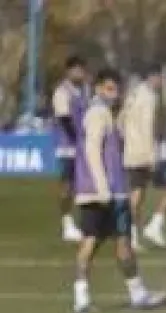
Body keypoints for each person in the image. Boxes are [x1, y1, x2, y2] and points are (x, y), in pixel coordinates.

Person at [72, 68, 166, 313]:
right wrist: (102, 187)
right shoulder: (97, 114)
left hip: (115, 191)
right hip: (99, 193)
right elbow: (92, 151)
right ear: (98, 89)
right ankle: (81, 297)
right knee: (91, 242)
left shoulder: (109, 113)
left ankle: (137, 294)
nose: (114, 94)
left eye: (116, 89)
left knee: (122, 242)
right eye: (109, 89)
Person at [122, 63, 166, 249]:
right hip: (145, 152)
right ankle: (153, 226)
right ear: (153, 77)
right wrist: (152, 155)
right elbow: (148, 127)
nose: (162, 82)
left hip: (131, 150)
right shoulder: (149, 97)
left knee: (136, 193)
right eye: (161, 77)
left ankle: (132, 236)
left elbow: (122, 119)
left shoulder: (133, 94)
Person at [51, 56, 89, 242]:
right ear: (69, 71)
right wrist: (78, 139)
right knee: (68, 184)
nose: (81, 73)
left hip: (82, 145)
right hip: (68, 146)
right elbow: (64, 119)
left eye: (82, 70)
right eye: (77, 70)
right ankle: (67, 223)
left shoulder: (83, 91)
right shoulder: (62, 92)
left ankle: (83, 222)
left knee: (80, 184)